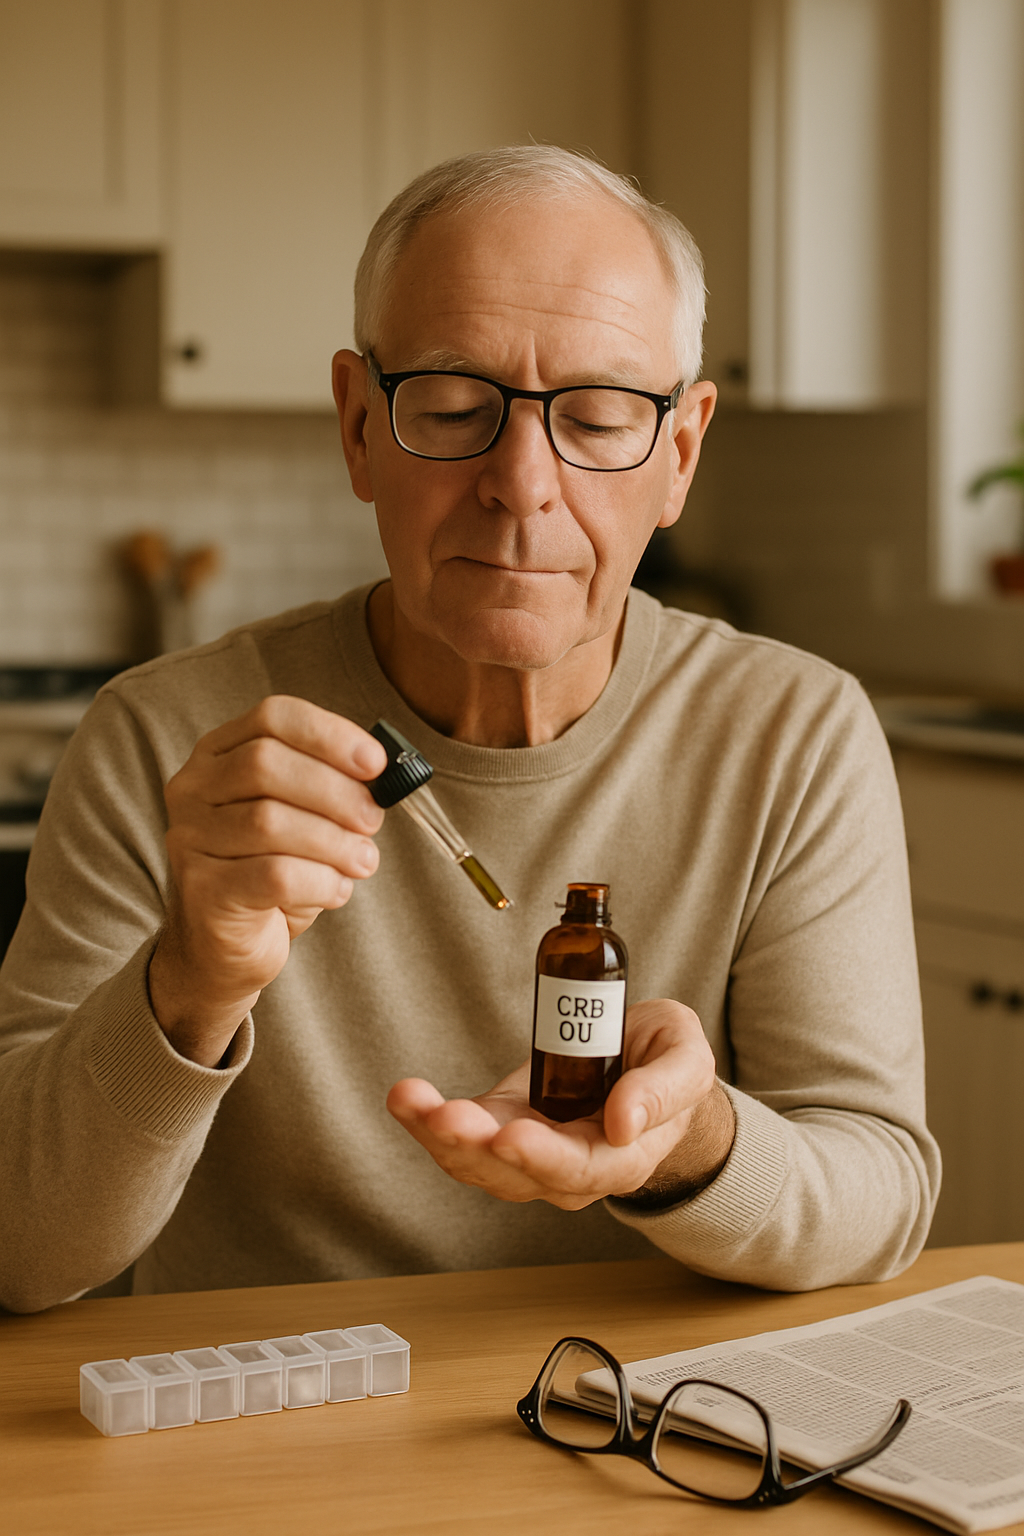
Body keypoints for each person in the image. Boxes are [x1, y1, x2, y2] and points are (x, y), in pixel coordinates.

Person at [0, 147, 938, 1314]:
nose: (522, 483)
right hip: (270, 1435)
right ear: (356, 427)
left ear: (680, 454)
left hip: (647, 1431)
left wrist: (687, 1139)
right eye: (451, 410)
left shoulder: (793, 734)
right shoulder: (165, 739)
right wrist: (190, 982)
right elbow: (19, 1251)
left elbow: (881, 1196)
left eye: (597, 419)